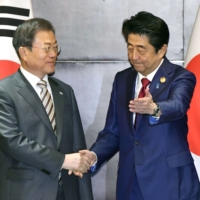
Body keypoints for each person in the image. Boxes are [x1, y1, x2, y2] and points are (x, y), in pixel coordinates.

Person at [81, 11, 200, 200]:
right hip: (130, 185)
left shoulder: (181, 77)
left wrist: (155, 109)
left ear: (161, 50)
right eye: (130, 48)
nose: (133, 56)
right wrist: (94, 155)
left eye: (141, 50)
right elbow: (113, 132)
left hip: (169, 183)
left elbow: (178, 105)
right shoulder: (122, 79)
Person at [0, 18, 93, 200]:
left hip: (67, 192)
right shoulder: (5, 91)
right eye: (47, 48)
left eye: (55, 48)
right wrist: (63, 161)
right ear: (24, 52)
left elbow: (77, 145)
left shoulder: (64, 91)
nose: (53, 54)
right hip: (27, 192)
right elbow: (11, 142)